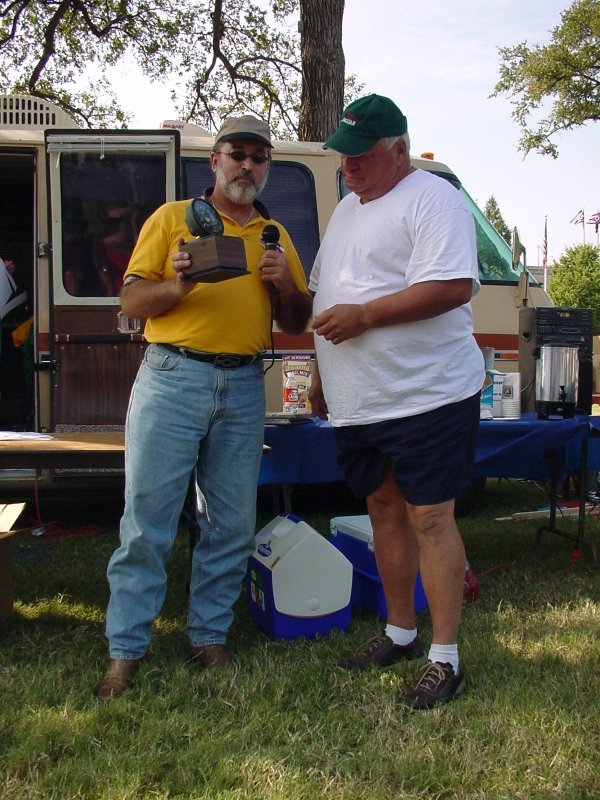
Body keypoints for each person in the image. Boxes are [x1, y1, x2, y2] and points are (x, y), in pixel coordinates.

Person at [96, 114, 312, 700]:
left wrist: (284, 286)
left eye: (258, 156)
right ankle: (125, 651)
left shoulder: (275, 236)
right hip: (173, 377)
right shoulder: (172, 220)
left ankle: (208, 636)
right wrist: (183, 285)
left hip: (244, 386)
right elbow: (134, 300)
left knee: (231, 523)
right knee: (148, 520)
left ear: (266, 167)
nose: (247, 165)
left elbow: (296, 321)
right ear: (213, 161)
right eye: (236, 153)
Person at [308, 94, 484, 711]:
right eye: (343, 156)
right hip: (362, 399)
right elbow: (329, 290)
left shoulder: (435, 199)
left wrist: (365, 316)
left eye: (360, 155)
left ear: (399, 150)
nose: (348, 166)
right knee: (383, 510)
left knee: (430, 517)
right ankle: (400, 633)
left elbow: (451, 286)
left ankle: (445, 659)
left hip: (426, 395)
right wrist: (324, 375)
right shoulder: (346, 212)